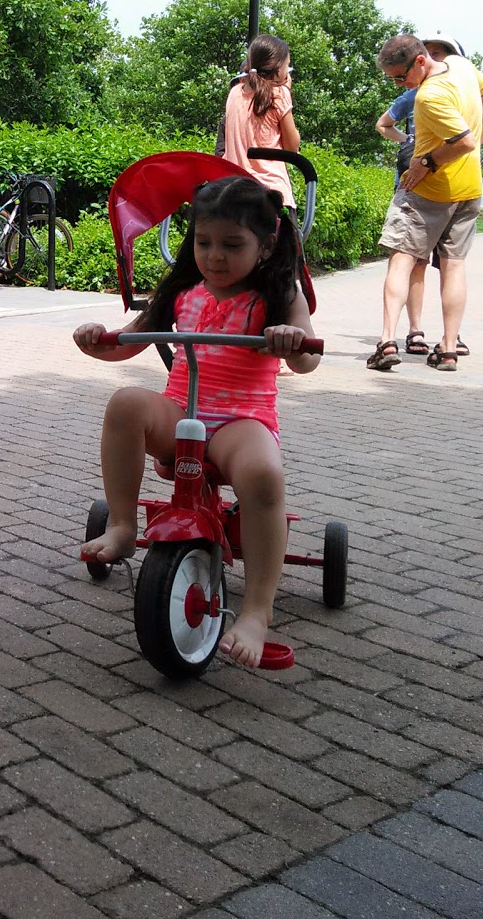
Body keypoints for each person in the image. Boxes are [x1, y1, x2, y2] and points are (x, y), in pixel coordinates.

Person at [73, 176, 320, 668]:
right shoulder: (182, 292)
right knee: (124, 402)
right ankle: (123, 526)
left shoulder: (278, 293)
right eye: (204, 243)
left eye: (232, 245)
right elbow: (127, 341)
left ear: (267, 245)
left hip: (241, 418)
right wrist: (96, 340)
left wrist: (292, 337)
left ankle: (255, 611)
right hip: (181, 412)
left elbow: (308, 359)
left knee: (264, 475)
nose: (215, 256)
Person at [373, 31, 483, 358]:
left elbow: (463, 142)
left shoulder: (428, 96)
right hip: (469, 189)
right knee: (454, 267)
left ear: (420, 61)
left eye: (401, 77)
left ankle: (388, 341)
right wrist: (481, 135)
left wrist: (426, 162)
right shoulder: (461, 66)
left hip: (428, 190)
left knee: (401, 261)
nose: (400, 85)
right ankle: (448, 347)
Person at [220, 33, 300, 209]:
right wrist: (286, 92)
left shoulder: (234, 93)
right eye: (287, 66)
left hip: (235, 192)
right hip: (271, 193)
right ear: (278, 69)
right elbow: (292, 148)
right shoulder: (279, 95)